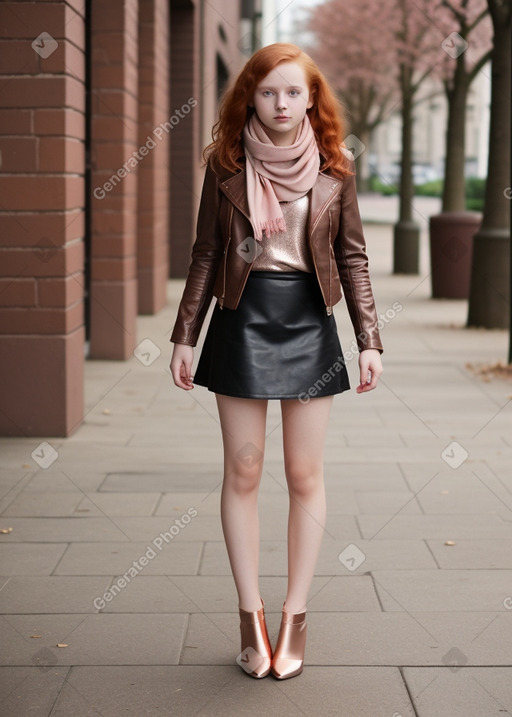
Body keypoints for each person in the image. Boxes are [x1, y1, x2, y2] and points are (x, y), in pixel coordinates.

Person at [170, 42, 383, 680]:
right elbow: (206, 253)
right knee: (243, 470)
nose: (281, 104)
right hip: (240, 319)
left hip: (308, 323)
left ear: (312, 98)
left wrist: (369, 339)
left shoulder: (335, 170)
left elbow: (354, 259)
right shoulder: (226, 165)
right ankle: (250, 618)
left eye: (294, 92)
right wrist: (185, 333)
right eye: (268, 92)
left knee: (302, 474)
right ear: (250, 97)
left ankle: (295, 615)